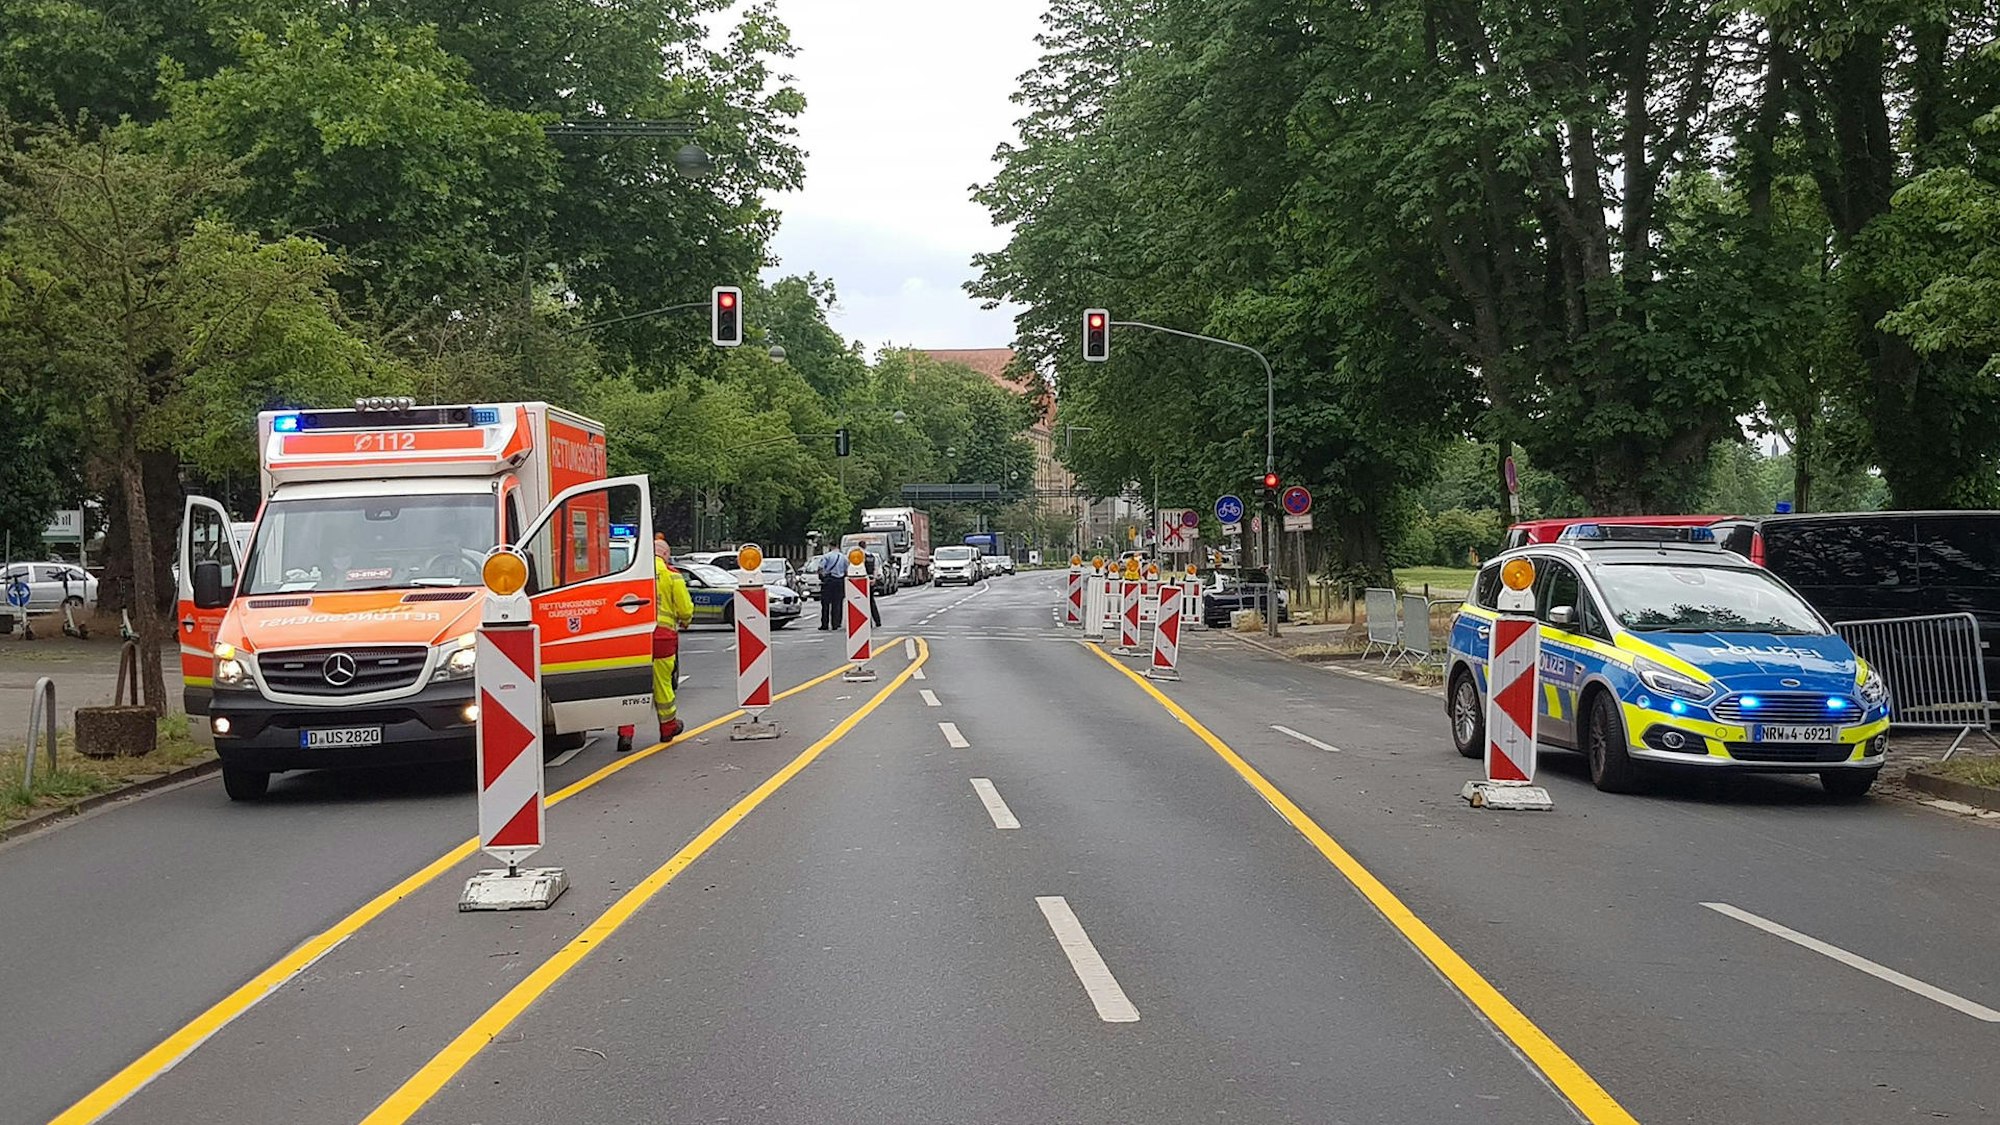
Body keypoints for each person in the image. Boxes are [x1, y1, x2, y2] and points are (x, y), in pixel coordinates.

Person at [634, 535, 693, 747]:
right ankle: (667, 727)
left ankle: (625, 734)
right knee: (663, 684)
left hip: (634, 637)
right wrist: (685, 620)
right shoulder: (671, 574)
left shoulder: (634, 572)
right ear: (666, 555)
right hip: (662, 637)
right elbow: (685, 608)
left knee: (633, 685)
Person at [815, 545, 846, 630]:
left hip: (828, 581)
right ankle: (835, 624)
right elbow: (846, 570)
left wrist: (822, 577)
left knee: (825, 604)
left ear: (830, 546)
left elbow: (820, 568)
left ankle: (825, 624)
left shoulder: (826, 556)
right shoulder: (843, 557)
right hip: (839, 581)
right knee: (837, 603)